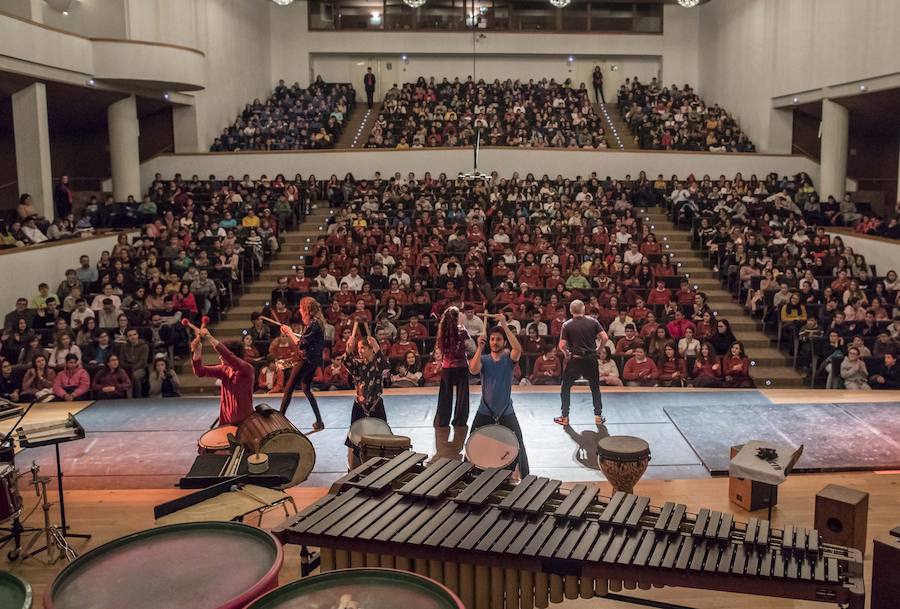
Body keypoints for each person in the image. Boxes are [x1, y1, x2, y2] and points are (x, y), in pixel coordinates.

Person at [468, 316, 529, 478]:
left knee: (518, 442)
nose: (495, 342)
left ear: (504, 342)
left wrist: (504, 324)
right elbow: (473, 370)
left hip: (505, 410)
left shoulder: (509, 359)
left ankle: (524, 476)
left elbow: (518, 349)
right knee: (473, 441)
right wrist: (479, 348)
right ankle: (472, 473)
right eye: (493, 339)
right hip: (485, 409)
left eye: (499, 339)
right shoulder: (484, 359)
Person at [555, 300, 607, 426]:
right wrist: (599, 350)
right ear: (583, 310)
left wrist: (566, 353)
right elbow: (604, 338)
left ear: (571, 311)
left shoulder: (566, 325)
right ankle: (598, 416)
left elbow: (561, 344)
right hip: (591, 359)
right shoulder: (593, 321)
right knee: (595, 388)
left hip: (576, 360)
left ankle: (565, 417)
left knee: (565, 388)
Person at [343, 329, 390, 468]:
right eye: (359, 348)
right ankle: (354, 467)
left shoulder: (378, 364)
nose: (360, 351)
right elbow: (346, 362)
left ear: (370, 349)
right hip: (360, 406)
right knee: (355, 437)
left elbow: (386, 368)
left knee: (382, 435)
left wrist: (377, 347)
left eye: (363, 347)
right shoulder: (358, 364)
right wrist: (348, 348)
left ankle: (382, 464)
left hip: (375, 404)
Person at [277, 298, 325, 431]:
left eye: (300, 308)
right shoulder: (316, 323)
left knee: (289, 388)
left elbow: (301, 344)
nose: (299, 310)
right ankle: (319, 421)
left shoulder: (313, 324)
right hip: (313, 361)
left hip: (307, 360)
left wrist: (289, 332)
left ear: (306, 310)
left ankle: (280, 421)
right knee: (306, 388)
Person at [191, 326, 254, 425]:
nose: (220, 357)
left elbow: (228, 355)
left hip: (244, 421)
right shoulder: (224, 369)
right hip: (226, 420)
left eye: (222, 355)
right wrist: (197, 351)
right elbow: (199, 371)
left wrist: (209, 337)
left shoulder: (247, 369)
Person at [435, 306, 471, 428]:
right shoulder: (462, 330)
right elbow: (470, 347)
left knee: (445, 395)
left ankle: (442, 420)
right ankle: (460, 420)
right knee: (462, 395)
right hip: (461, 366)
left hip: (447, 367)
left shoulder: (442, 331)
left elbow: (440, 349)